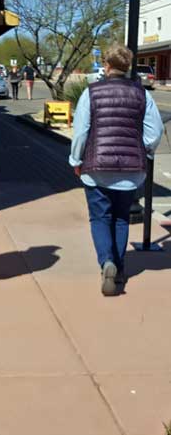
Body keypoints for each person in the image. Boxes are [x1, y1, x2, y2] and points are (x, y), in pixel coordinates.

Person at [69, 43, 163, 296]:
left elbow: (81, 132)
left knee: (100, 218)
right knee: (121, 218)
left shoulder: (91, 93)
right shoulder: (143, 94)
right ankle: (119, 268)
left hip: (96, 168)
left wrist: (75, 161)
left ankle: (106, 262)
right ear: (128, 67)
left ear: (106, 66)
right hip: (132, 171)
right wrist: (142, 149)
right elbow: (155, 132)